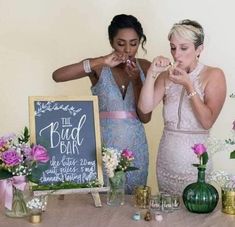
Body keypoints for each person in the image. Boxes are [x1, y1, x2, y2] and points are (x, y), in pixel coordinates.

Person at [52, 14, 152, 194]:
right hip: (104, 146)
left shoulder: (145, 67)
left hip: (136, 147)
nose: (128, 49)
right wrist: (102, 60)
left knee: (133, 205)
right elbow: (58, 76)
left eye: (134, 43)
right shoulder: (100, 67)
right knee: (104, 204)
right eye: (121, 43)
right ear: (112, 42)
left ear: (140, 42)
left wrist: (137, 80)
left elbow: (145, 117)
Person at [138, 19, 226, 195]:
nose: (176, 54)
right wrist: (151, 74)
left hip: (196, 166)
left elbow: (207, 121)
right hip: (166, 163)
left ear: (199, 49)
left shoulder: (214, 75)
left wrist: (189, 86)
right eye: (172, 47)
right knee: (168, 214)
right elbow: (144, 108)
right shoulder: (166, 77)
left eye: (183, 48)